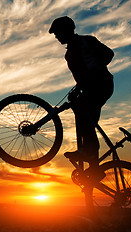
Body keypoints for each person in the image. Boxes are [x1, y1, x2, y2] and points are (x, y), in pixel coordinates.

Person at [49, 16, 114, 173]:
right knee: (87, 121)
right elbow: (81, 77)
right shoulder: (69, 53)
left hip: (101, 85)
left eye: (57, 32)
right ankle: (95, 170)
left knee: (84, 115)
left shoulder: (87, 41)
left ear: (66, 30)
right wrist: (79, 88)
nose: (56, 36)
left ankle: (87, 152)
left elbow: (109, 54)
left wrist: (95, 72)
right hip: (91, 88)